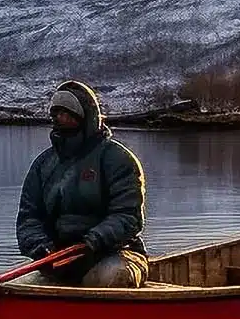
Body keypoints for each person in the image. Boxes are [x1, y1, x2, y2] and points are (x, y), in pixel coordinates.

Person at [15, 80, 147, 287]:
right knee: (17, 289)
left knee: (114, 277)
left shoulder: (118, 159)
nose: (60, 119)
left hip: (116, 252)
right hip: (59, 260)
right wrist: (40, 247)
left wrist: (93, 241)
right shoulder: (43, 164)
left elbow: (128, 217)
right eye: (55, 114)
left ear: (84, 117)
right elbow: (29, 217)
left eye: (66, 114)